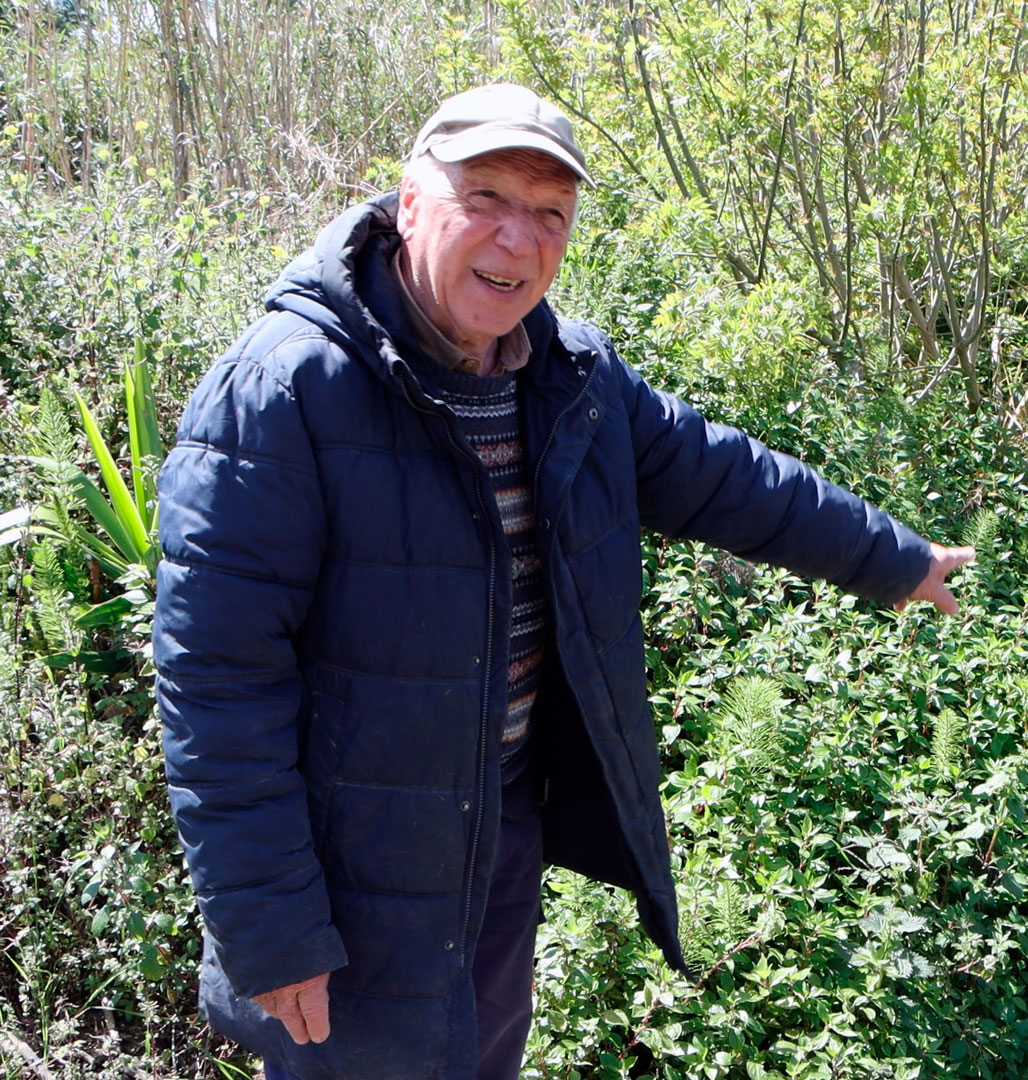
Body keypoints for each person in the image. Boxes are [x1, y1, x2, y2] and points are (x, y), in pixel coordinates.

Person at [154, 83, 973, 1080]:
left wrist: (895, 558)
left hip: (494, 837)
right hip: (347, 875)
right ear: (410, 203)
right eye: (486, 196)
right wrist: (274, 930)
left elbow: (727, 480)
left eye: (550, 213)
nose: (518, 237)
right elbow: (216, 683)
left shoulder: (568, 378)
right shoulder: (287, 389)